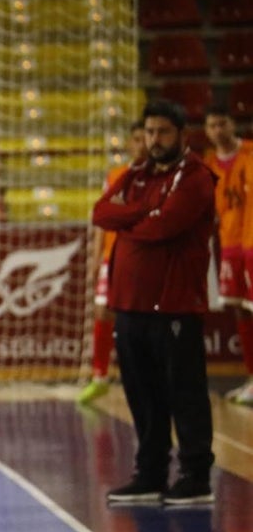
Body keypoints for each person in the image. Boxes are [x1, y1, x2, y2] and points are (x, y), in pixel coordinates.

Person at [92, 100, 216, 507]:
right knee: (141, 395)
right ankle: (150, 474)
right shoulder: (136, 174)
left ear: (182, 135)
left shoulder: (196, 177)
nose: (154, 140)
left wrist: (130, 220)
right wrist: (141, 211)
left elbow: (163, 227)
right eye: (149, 132)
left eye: (163, 132)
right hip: (130, 306)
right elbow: (101, 212)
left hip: (175, 307)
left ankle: (196, 476)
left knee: (184, 393)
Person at [78, 119, 148, 405]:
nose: (143, 144)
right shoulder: (117, 176)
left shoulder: (160, 178)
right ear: (130, 143)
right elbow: (101, 219)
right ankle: (99, 376)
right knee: (103, 310)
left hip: (143, 258)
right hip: (113, 255)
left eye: (147, 138)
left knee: (140, 318)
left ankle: (145, 377)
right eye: (138, 139)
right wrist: (95, 257)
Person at [202, 105, 253, 406]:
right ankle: (251, 378)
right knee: (240, 310)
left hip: (252, 243)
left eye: (222, 123)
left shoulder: (249, 153)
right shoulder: (209, 166)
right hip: (229, 245)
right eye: (212, 125)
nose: (218, 130)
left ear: (233, 124)